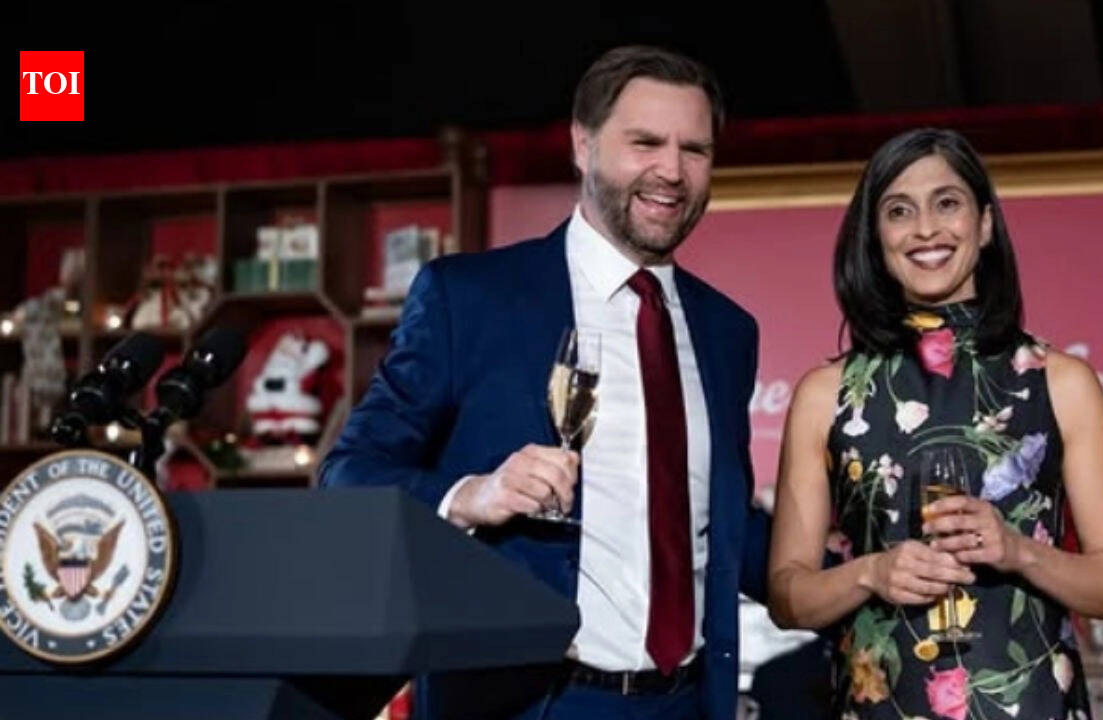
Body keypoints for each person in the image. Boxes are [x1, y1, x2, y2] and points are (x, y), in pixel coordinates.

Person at [319, 45, 768, 720]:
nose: (672, 171)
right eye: (645, 143)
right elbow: (349, 475)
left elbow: (721, 525)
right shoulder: (470, 298)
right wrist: (473, 495)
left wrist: (867, 568)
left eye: (694, 149)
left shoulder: (728, 332)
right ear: (583, 145)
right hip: (524, 702)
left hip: (686, 702)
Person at [766, 128, 1103, 720]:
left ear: (985, 224)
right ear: (875, 239)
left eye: (947, 203)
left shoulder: (1063, 383)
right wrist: (871, 573)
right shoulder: (825, 395)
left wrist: (1017, 551)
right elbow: (788, 598)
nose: (925, 229)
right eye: (898, 211)